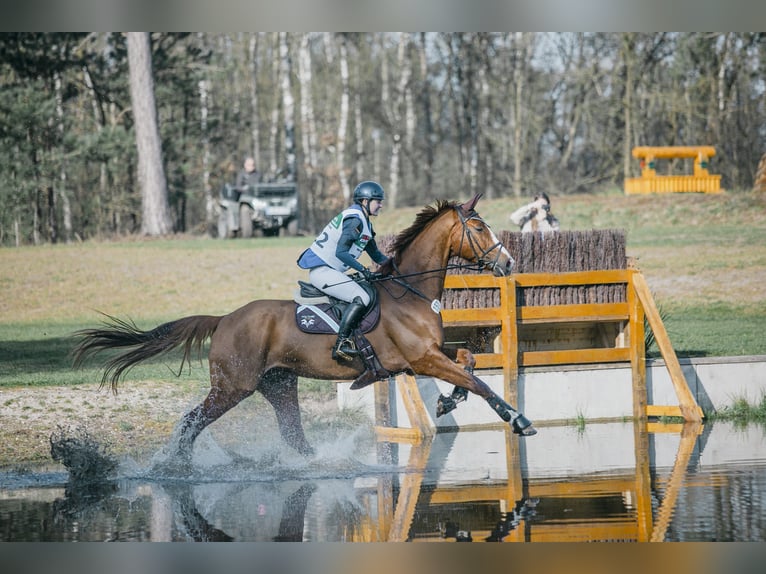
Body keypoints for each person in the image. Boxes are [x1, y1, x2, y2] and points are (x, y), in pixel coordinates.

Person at [297, 181, 390, 362]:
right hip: (322, 272)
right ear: (365, 200)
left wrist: (395, 265)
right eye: (377, 201)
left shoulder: (365, 223)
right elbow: (341, 252)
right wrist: (363, 269)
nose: (381, 205)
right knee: (363, 298)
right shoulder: (355, 220)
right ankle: (341, 343)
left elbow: (377, 255)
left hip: (331, 271)